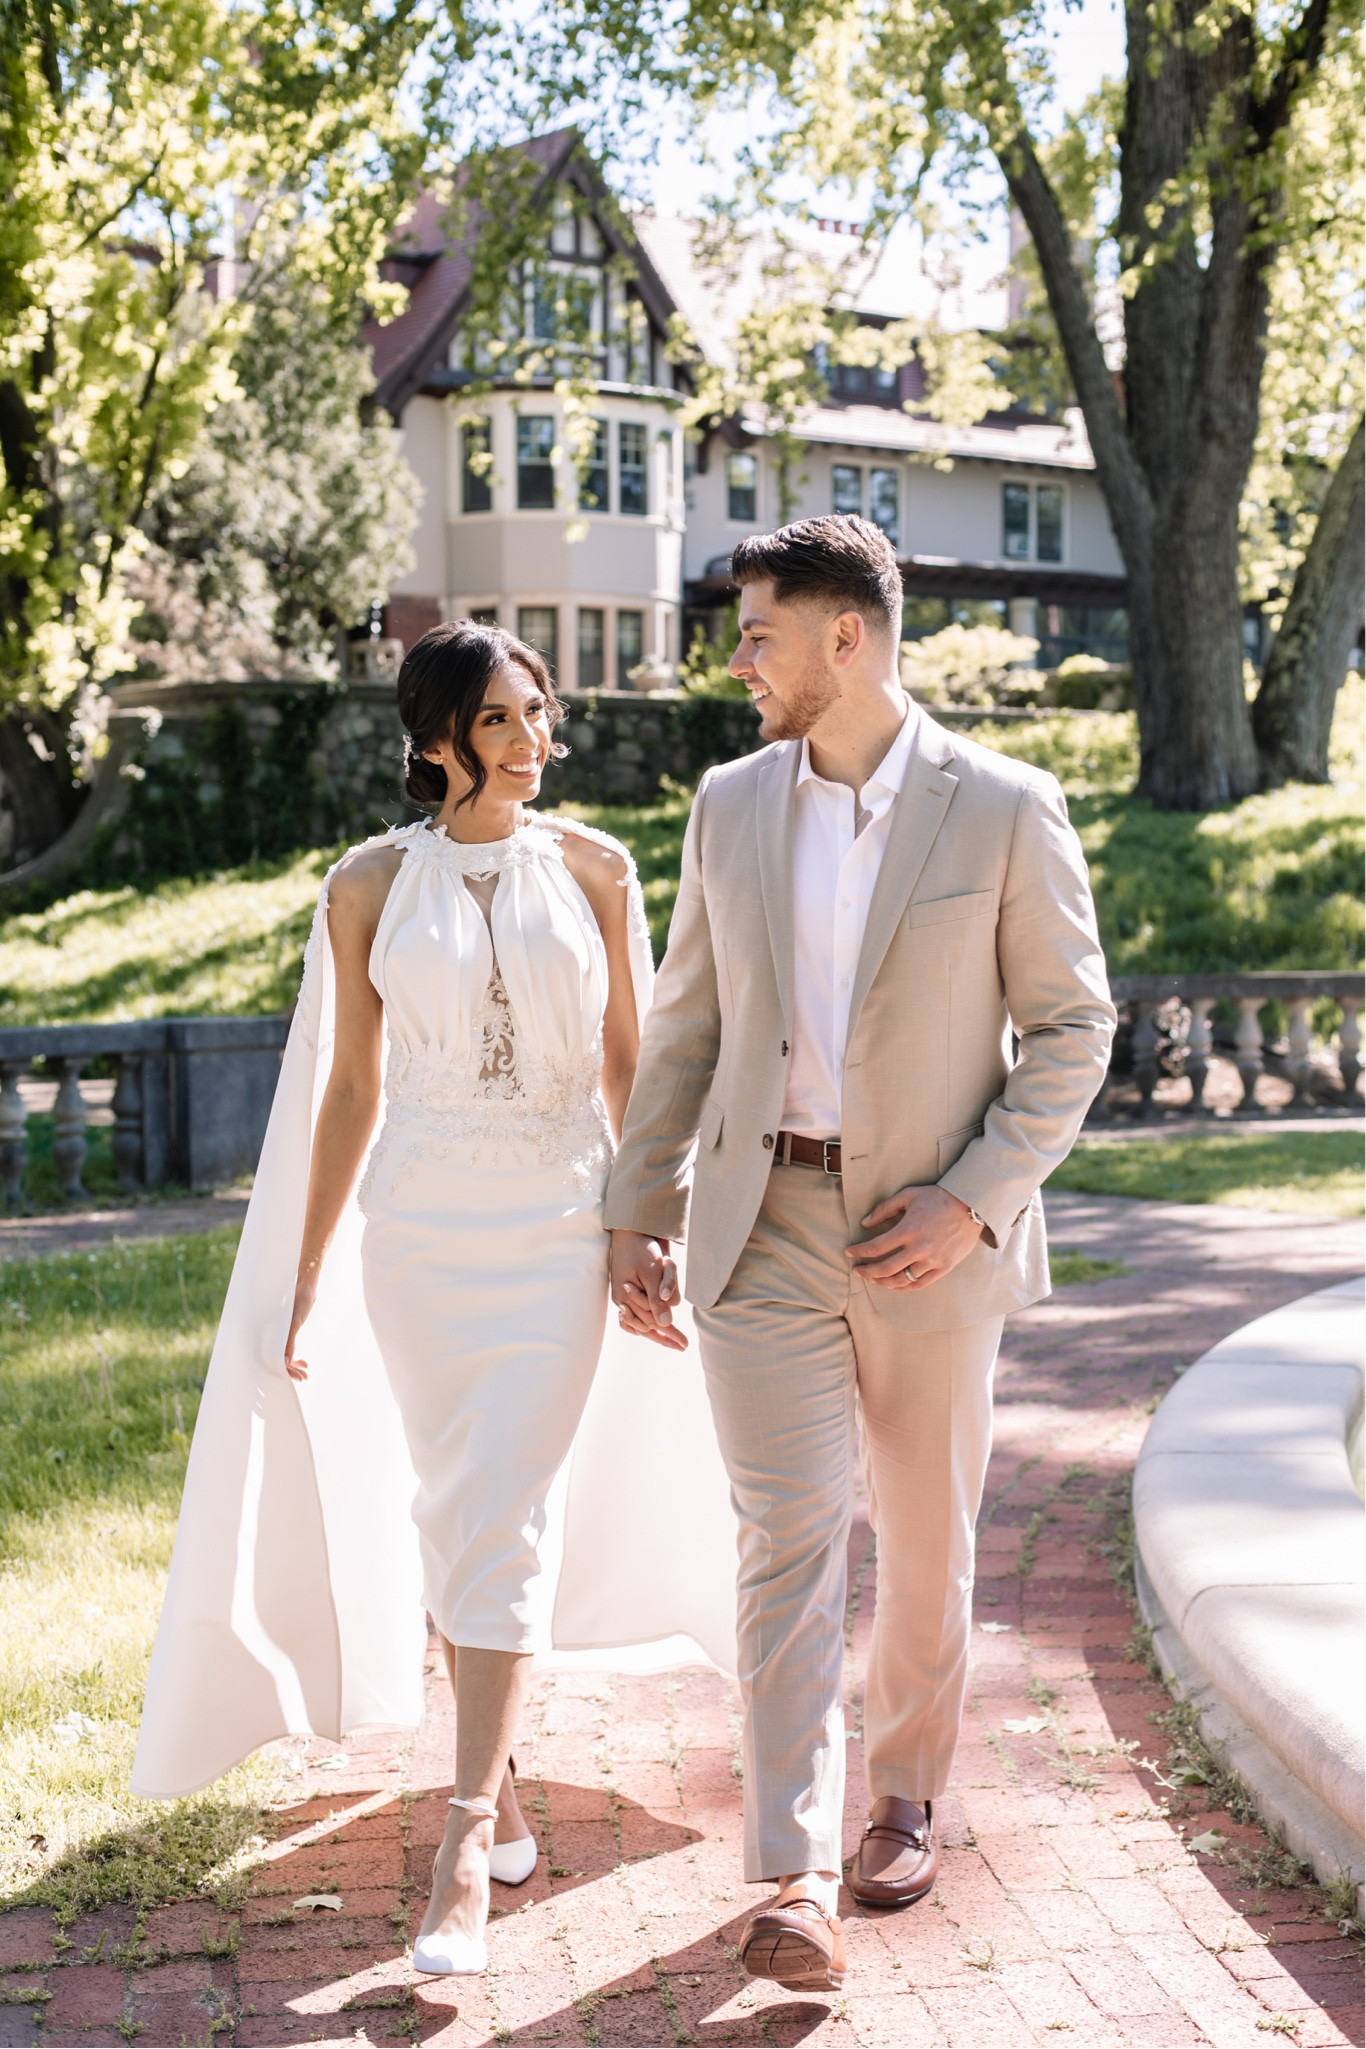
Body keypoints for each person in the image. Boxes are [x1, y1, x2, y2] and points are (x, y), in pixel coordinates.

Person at [132, 622, 736, 1980]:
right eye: (506, 719)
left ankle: (462, 1839)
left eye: (540, 715)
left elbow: (628, 1072)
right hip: (416, 1230)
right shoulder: (360, 887)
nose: (536, 741)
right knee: (447, 1501)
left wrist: (647, 1225)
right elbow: (350, 1090)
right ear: (437, 738)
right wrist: (302, 1269)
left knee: (505, 1502)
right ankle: (498, 1769)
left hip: (555, 1225)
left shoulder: (597, 867)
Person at [607, 516, 1116, 1993]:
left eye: (759, 630)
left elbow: (1073, 1032)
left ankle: (902, 1791)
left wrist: (972, 1196)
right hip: (759, 1220)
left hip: (928, 1237)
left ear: (849, 637)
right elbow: (688, 1017)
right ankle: (792, 1869)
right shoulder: (728, 802)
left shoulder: (1005, 808)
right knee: (784, 1535)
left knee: (921, 1533)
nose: (738, 659)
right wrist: (632, 1204)